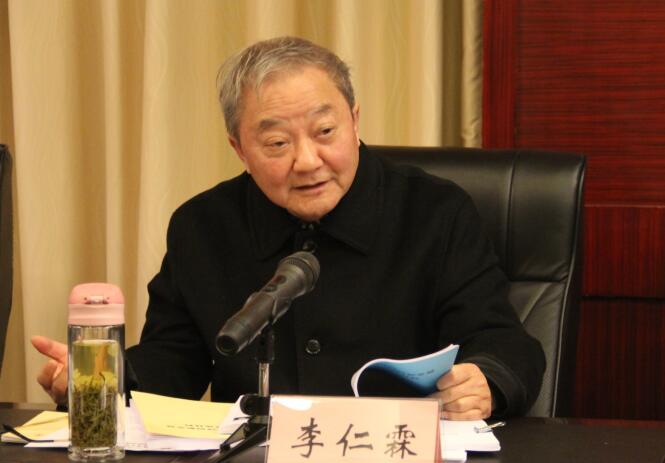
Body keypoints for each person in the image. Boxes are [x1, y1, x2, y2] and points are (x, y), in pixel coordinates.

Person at [33, 36, 545, 420]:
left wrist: (486, 381)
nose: (307, 160)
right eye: (277, 143)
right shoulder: (203, 226)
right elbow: (175, 360)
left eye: (325, 131)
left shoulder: (435, 212)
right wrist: (101, 379)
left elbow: (503, 341)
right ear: (239, 149)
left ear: (355, 121)